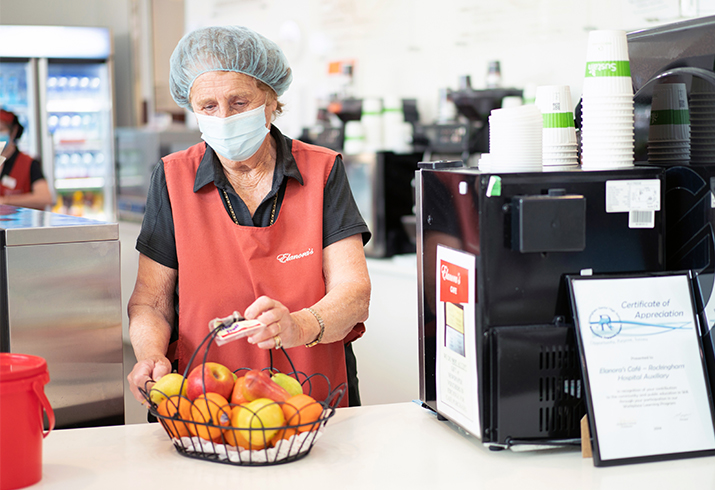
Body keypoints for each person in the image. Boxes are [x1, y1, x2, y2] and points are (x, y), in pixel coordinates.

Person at [127, 25, 371, 409]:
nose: (223, 117)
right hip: (205, 402)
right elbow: (151, 303)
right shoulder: (173, 177)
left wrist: (298, 326)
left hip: (311, 395)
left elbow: (354, 294)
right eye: (208, 107)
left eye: (239, 102)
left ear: (271, 100)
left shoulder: (322, 171)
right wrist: (150, 354)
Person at [0, 109, 53, 210]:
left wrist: (6, 201)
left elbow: (45, 198)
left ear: (14, 131)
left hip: (20, 224)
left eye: (1, 130)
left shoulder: (29, 163)